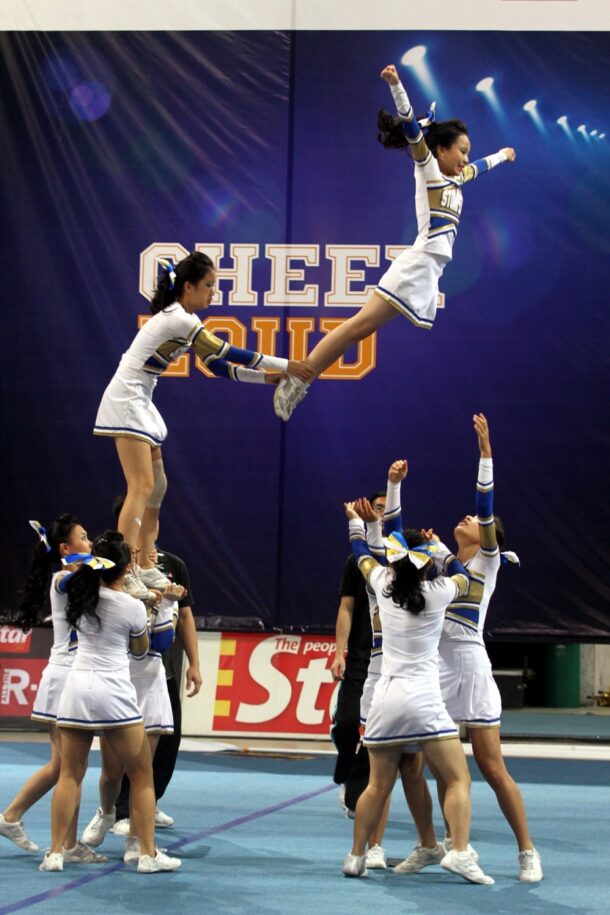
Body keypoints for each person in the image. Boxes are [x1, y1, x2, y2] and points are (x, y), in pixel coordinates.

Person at [273, 64, 516, 420]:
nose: (465, 158)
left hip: (429, 271)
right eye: (461, 150)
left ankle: (302, 375)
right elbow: (413, 130)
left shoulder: (458, 179)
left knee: (361, 328)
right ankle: (300, 376)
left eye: (467, 152)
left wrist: (503, 156)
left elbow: (480, 166)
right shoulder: (429, 170)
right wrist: (396, 84)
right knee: (358, 327)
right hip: (418, 265)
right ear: (442, 150)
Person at [93, 250, 312, 584]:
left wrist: (265, 378)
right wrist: (285, 365)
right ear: (189, 286)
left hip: (140, 397)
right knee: (141, 485)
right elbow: (225, 351)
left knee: (157, 485)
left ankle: (147, 565)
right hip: (127, 398)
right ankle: (123, 569)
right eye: (209, 285)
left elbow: (216, 366)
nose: (213, 292)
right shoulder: (180, 319)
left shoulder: (182, 319)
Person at [398, 415, 543, 882]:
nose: (466, 519)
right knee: (432, 764)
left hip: (472, 670)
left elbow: (485, 506)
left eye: (478, 523)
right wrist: (395, 490)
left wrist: (485, 452)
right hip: (436, 672)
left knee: (492, 766)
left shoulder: (487, 560)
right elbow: (406, 540)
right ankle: (450, 845)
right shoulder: (443, 562)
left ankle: (527, 851)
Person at [342, 498, 494, 885]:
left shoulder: (381, 582)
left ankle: (356, 856)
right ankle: (458, 851)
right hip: (425, 701)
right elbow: (464, 576)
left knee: (377, 785)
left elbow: (361, 554)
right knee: (459, 779)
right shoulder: (439, 591)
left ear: (394, 560)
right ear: (425, 562)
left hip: (386, 700)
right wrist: (443, 553)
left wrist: (356, 525)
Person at [40, 531, 181, 874]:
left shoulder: (80, 594)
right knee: (142, 773)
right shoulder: (132, 606)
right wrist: (159, 604)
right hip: (114, 692)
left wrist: (79, 564)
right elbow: (140, 649)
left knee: (70, 774)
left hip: (77, 689)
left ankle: (56, 852)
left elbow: (65, 579)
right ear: (124, 568)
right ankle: (147, 854)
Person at [0, 516, 105, 864]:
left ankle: (15, 819)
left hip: (70, 677)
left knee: (66, 767)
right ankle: (54, 838)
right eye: (85, 538)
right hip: (64, 679)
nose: (90, 543)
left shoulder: (80, 575)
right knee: (70, 768)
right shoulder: (64, 578)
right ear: (65, 548)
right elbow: (81, 577)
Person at [330, 489, 386, 866]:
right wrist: (339, 651)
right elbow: (346, 608)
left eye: (384, 510)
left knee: (376, 738)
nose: (378, 514)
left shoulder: (401, 556)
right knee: (348, 723)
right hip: (361, 657)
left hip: (391, 661)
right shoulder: (357, 563)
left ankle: (357, 789)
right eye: (374, 509)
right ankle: (345, 764)